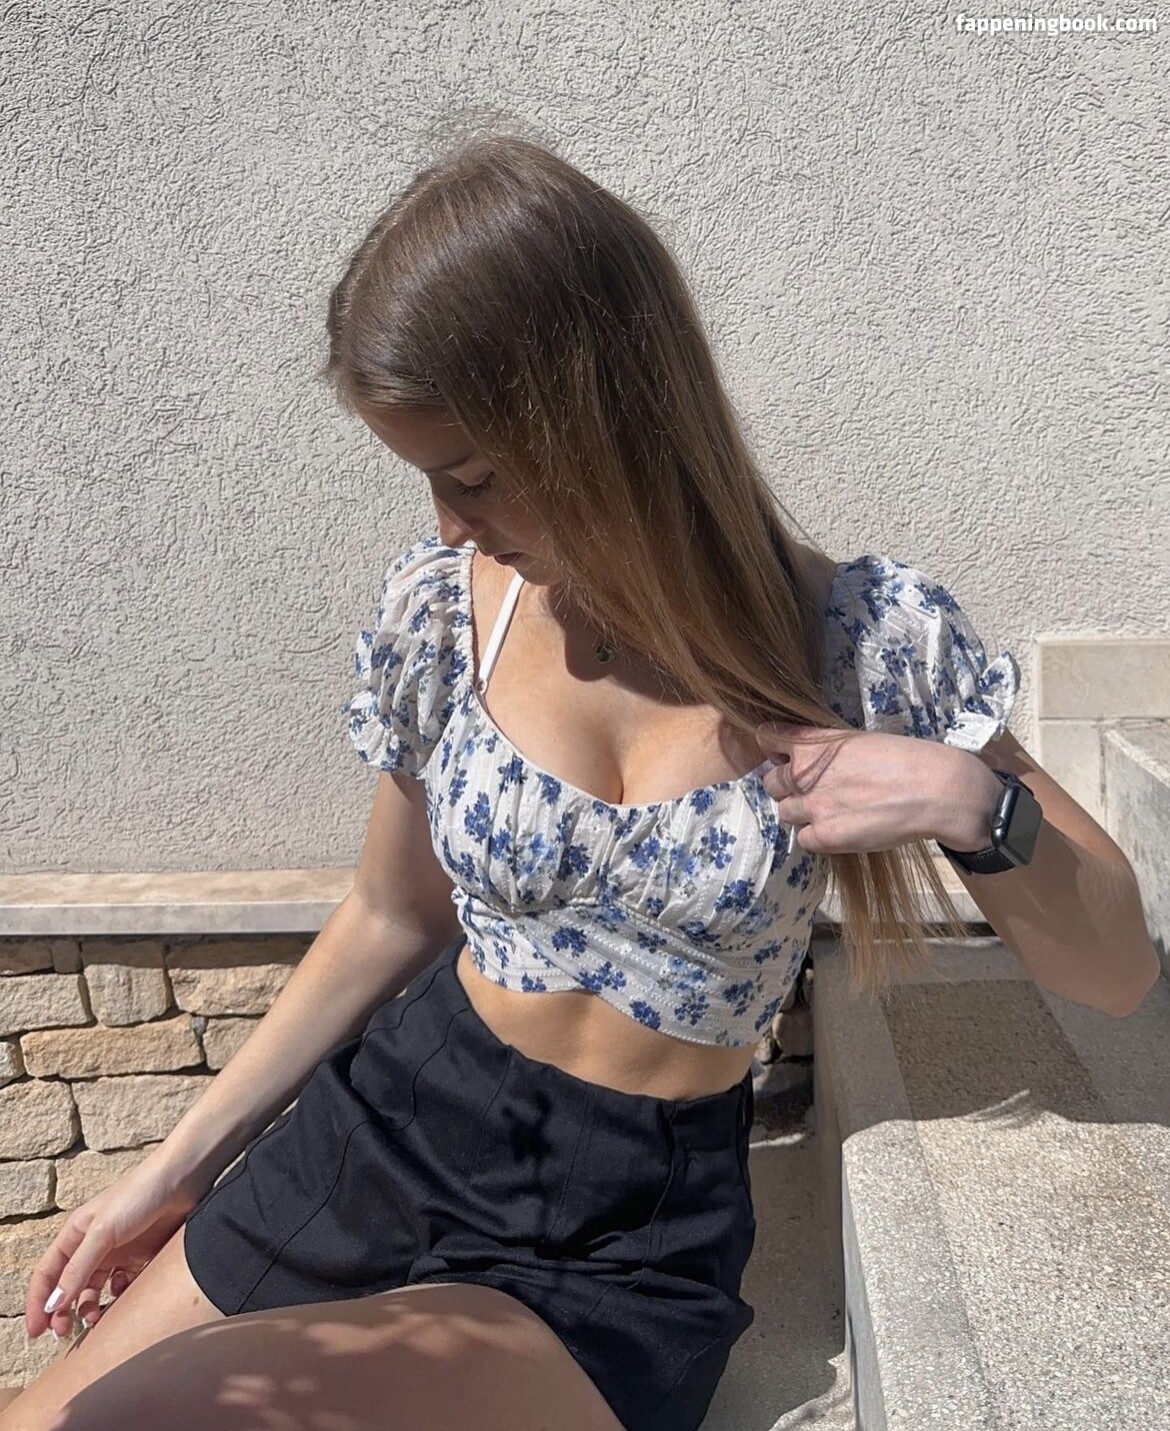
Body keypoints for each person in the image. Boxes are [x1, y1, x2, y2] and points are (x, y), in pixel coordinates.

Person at [6, 133, 1024, 1431]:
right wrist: (171, 1169)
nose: (447, 521)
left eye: (476, 477)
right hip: (392, 1124)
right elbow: (392, 913)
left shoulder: (861, 639)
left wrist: (978, 808)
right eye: (427, 479)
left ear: (611, 419)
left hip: (611, 1236)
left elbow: (1110, 969)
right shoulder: (450, 611)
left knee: (158, 1413)